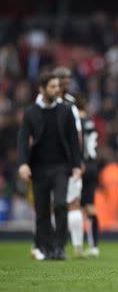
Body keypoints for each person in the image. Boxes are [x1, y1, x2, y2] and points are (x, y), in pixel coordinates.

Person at [17, 73, 82, 260]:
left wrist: (76, 165)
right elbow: (22, 140)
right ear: (42, 88)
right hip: (38, 168)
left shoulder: (65, 110)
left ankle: (59, 246)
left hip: (61, 167)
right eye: (52, 87)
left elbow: (73, 141)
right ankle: (45, 247)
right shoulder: (30, 113)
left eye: (58, 86)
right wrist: (23, 164)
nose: (57, 90)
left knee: (61, 204)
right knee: (42, 210)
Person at [53, 66, 85, 256]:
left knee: (55, 204)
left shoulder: (44, 102)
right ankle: (77, 246)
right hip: (65, 157)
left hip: (53, 157)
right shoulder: (71, 103)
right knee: (72, 203)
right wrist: (77, 157)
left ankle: (49, 245)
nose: (66, 81)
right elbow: (77, 133)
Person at [76, 96, 100, 257]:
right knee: (89, 205)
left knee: (75, 205)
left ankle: (77, 245)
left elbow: (78, 144)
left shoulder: (78, 122)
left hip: (81, 165)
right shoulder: (91, 122)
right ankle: (93, 246)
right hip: (92, 165)